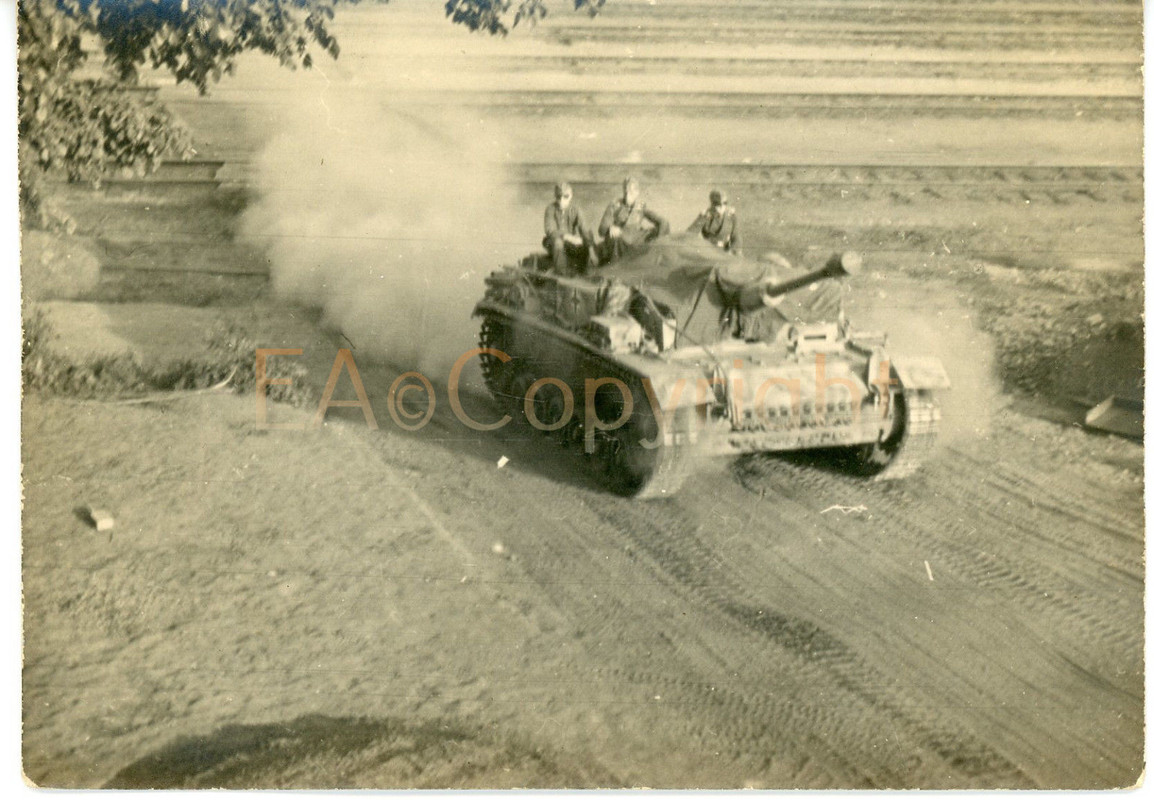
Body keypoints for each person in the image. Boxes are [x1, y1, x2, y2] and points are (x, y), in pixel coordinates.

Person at [598, 177, 670, 264]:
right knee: (615, 239)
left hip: (636, 239)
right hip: (621, 239)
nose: (627, 195)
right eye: (626, 191)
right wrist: (610, 227)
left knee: (659, 229)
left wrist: (659, 241)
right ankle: (616, 266)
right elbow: (601, 230)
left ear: (637, 193)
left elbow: (662, 221)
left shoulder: (641, 206)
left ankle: (656, 255)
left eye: (631, 192)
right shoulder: (615, 205)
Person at [543, 182, 597, 276]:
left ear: (571, 196)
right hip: (553, 242)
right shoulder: (550, 209)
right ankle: (562, 274)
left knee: (586, 243)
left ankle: (586, 272)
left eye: (565, 196)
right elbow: (550, 230)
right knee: (558, 243)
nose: (561, 200)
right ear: (555, 196)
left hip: (569, 243)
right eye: (558, 196)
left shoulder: (576, 209)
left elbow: (585, 229)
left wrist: (591, 249)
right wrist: (567, 236)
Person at [688, 189, 741, 255]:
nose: (722, 206)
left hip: (727, 252)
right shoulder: (705, 215)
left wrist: (733, 251)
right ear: (712, 204)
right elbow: (690, 233)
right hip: (709, 252)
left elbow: (736, 238)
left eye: (724, 203)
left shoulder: (731, 216)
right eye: (718, 204)